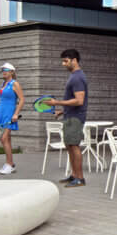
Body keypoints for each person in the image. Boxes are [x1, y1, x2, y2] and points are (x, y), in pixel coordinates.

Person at [44, 48, 88, 188]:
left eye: (65, 61)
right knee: (69, 146)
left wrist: (56, 102)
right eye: (62, 61)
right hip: (69, 116)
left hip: (75, 118)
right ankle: (73, 175)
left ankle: (80, 178)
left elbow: (79, 101)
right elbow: (73, 101)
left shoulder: (78, 77)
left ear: (74, 60)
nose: (63, 64)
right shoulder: (74, 76)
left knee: (74, 146)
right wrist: (62, 111)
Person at [0, 63, 24, 174]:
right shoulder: (3, 83)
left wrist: (16, 114)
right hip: (1, 112)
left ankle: (10, 165)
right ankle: (9, 163)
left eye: (6, 70)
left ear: (12, 72)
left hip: (10, 114)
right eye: (2, 70)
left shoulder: (14, 84)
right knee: (7, 139)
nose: (4, 72)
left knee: (4, 139)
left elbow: (22, 100)